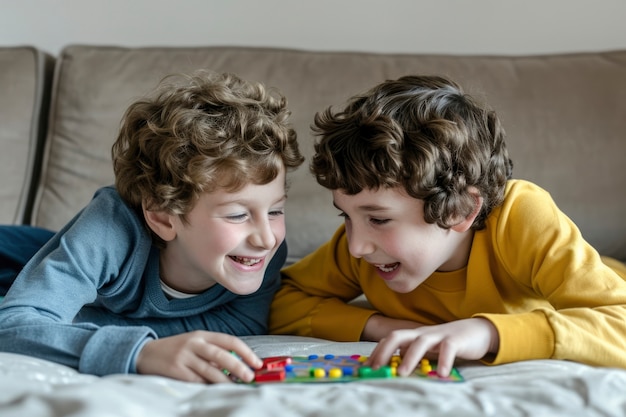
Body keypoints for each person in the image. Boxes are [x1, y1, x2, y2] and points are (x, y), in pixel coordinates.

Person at [268, 74, 626, 378]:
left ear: (460, 211)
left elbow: (618, 323)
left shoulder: (521, 216)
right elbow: (278, 300)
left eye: (378, 219)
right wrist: (383, 327)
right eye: (345, 215)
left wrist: (487, 332)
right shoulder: (364, 250)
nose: (355, 246)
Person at [0, 70, 304, 383]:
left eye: (275, 210)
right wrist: (140, 352)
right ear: (161, 216)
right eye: (238, 215)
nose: (267, 238)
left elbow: (240, 327)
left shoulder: (259, 255)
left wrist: (82, 325)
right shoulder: (110, 229)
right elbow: (13, 325)